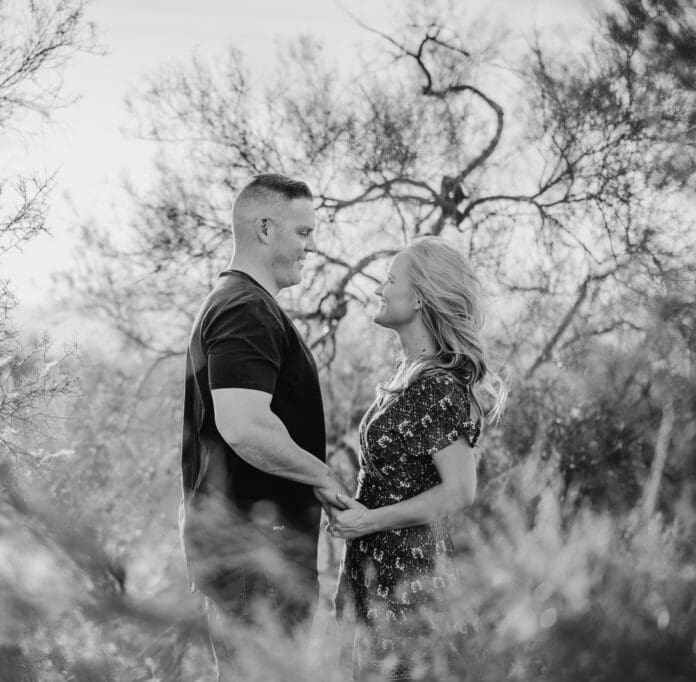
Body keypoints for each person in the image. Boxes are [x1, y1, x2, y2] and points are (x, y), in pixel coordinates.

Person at [180, 173, 349, 678]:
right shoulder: (246, 309)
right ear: (265, 228)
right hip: (259, 557)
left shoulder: (239, 303)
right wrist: (323, 477)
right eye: (302, 233)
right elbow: (245, 426)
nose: (309, 247)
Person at [328, 236, 508, 679]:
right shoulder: (409, 375)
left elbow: (460, 491)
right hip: (374, 578)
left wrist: (368, 522)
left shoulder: (440, 386)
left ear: (420, 297)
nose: (378, 289)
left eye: (390, 280)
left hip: (411, 591)